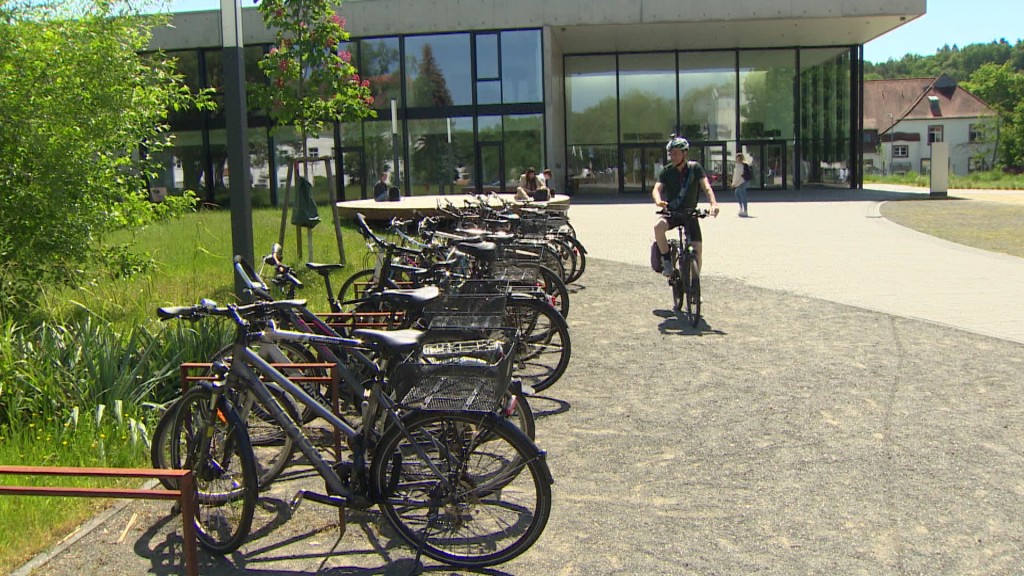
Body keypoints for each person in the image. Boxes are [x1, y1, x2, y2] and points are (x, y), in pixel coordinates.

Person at [652, 135, 719, 278]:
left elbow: (706, 187)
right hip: (673, 213)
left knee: (697, 249)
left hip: (690, 214)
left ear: (685, 153)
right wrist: (658, 200)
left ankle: (695, 283)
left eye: (675, 153)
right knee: (658, 227)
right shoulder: (667, 171)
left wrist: (713, 204)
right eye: (671, 154)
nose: (672, 157)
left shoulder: (695, 168)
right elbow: (656, 189)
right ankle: (667, 261)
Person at [731, 152, 751, 217]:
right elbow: (736, 176)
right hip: (740, 182)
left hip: (741, 182)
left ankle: (745, 211)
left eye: (737, 158)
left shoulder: (740, 165)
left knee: (742, 196)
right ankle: (741, 209)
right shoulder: (738, 165)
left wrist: (734, 183)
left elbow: (737, 176)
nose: (736, 159)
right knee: (737, 194)